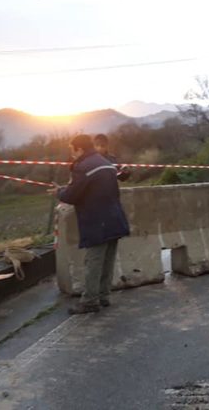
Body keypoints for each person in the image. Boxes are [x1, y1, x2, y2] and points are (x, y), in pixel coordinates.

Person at [52, 134, 130, 314]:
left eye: (72, 150)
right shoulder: (105, 162)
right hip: (115, 218)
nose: (72, 154)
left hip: (97, 221)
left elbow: (72, 195)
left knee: (93, 262)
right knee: (108, 261)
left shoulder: (84, 167)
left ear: (79, 149)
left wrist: (59, 192)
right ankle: (103, 296)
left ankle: (89, 301)